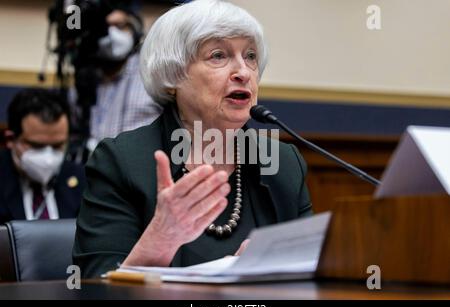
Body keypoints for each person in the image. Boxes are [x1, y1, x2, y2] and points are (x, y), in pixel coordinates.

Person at [73, 0, 313, 278]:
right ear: (173, 76)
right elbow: (96, 286)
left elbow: (311, 275)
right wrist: (162, 238)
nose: (244, 72)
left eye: (250, 56)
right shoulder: (121, 161)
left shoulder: (284, 164)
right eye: (218, 56)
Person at [69, 6, 162, 154]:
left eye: (120, 26)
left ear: (135, 31)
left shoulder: (154, 74)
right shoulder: (83, 79)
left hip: (140, 168)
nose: (112, 34)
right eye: (105, 28)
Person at [0, 88, 86, 223]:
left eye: (57, 146)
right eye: (37, 146)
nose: (48, 158)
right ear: (10, 139)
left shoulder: (84, 181)